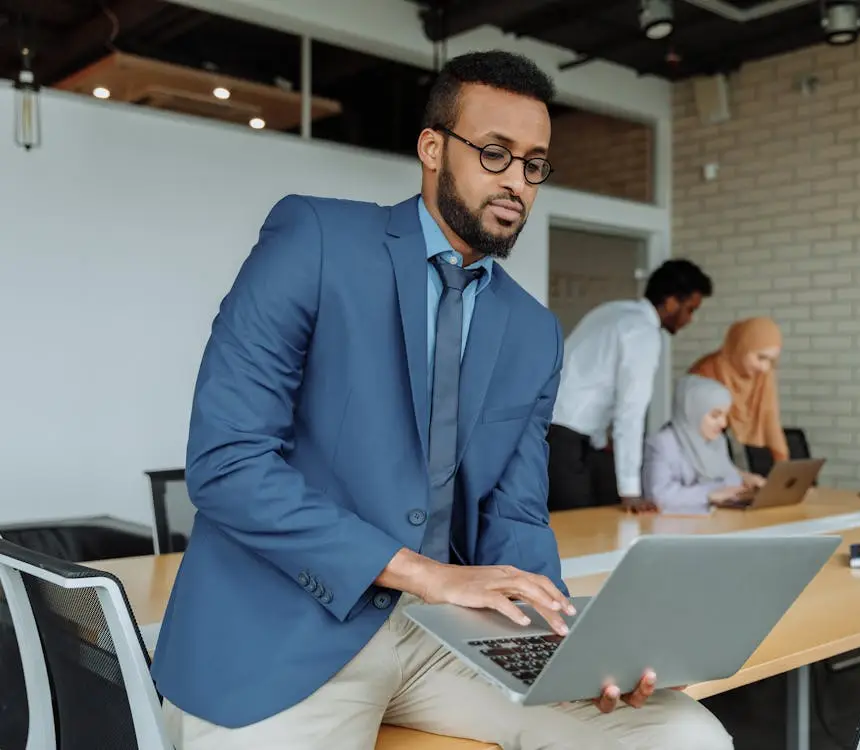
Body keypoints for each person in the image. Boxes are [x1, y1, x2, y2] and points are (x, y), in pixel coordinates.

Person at [151, 50, 732, 750]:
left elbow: (513, 511)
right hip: (289, 625)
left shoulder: (532, 330)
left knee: (679, 735)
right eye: (495, 153)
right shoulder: (317, 240)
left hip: (445, 636)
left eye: (533, 164)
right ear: (432, 148)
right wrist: (423, 574)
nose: (517, 180)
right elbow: (227, 464)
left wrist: (558, 639)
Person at [548, 260, 714, 512]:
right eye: (690, 309)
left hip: (552, 429)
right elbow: (630, 413)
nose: (690, 319)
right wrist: (631, 492)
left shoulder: (613, 311)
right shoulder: (643, 333)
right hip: (566, 438)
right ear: (670, 302)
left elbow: (585, 376)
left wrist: (602, 439)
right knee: (580, 528)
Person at [643, 375, 765, 514]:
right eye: (715, 416)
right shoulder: (662, 444)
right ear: (692, 412)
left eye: (725, 415)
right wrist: (709, 494)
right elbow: (658, 496)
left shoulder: (717, 441)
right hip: (674, 528)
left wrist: (746, 482)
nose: (723, 423)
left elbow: (727, 478)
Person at [689, 317, 788, 465]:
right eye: (760, 358)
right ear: (741, 348)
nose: (765, 367)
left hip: (743, 466)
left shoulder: (762, 376)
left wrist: (783, 468)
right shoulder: (705, 373)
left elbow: (770, 420)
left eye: (771, 361)